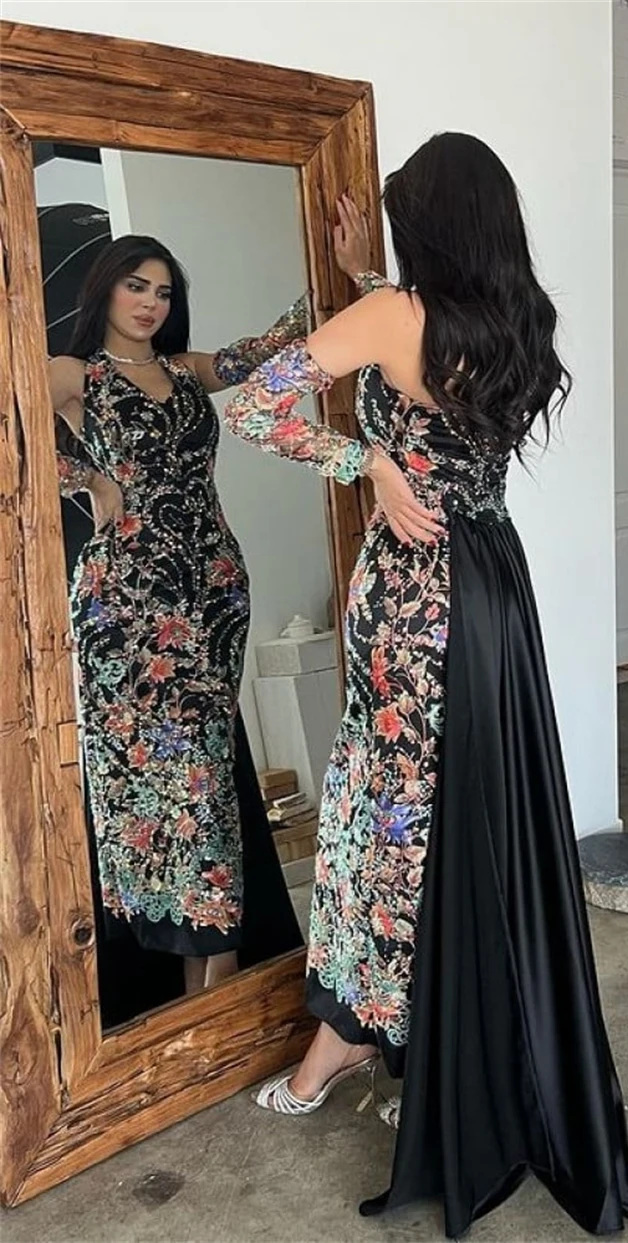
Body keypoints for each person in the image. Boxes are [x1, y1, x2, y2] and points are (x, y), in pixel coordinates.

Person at [230, 134, 628, 1237]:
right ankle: (452, 1035)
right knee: (467, 819)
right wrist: (368, 276)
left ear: (430, 226)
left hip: (415, 604)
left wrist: (361, 462)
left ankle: (346, 1040)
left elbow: (250, 408)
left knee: (384, 826)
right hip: (495, 590)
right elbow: (420, 353)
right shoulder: (514, 317)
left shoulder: (394, 316)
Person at [50, 236, 303, 996]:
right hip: (127, 604)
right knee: (156, 776)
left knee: (207, 771)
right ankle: (194, 968)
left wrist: (332, 275)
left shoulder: (186, 371)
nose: (150, 302)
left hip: (213, 588)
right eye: (137, 285)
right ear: (106, 290)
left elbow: (262, 352)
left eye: (162, 291)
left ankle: (215, 965)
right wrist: (86, 476)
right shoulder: (75, 374)